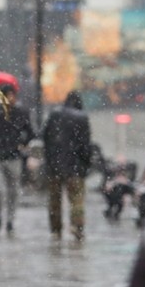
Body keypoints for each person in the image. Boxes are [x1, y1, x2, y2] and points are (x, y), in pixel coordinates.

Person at [0, 82, 34, 234]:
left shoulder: (21, 113)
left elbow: (30, 132)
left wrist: (21, 143)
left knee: (13, 191)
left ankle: (10, 220)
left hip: (14, 157)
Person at [41, 90, 93, 240]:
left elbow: (45, 138)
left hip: (54, 167)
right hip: (75, 167)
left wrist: (50, 159)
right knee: (77, 200)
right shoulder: (82, 118)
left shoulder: (54, 115)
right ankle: (77, 227)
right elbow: (85, 146)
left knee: (54, 200)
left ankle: (56, 230)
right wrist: (86, 163)